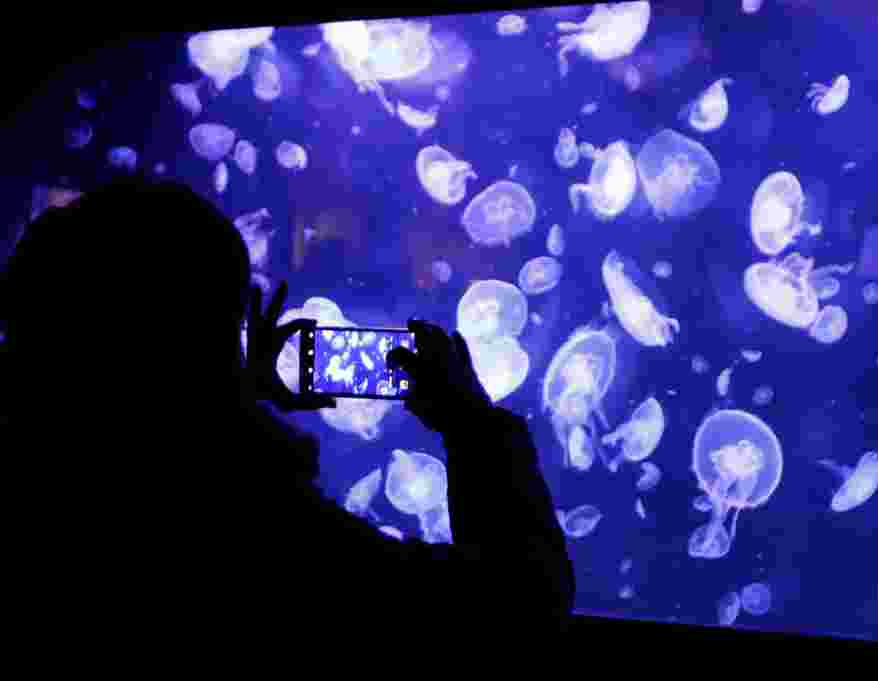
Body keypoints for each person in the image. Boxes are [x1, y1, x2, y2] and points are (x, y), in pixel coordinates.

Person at [2, 177, 574, 643]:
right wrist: (470, 424)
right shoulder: (264, 535)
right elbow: (519, 610)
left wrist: (238, 404)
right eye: (228, 327)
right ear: (200, 343)